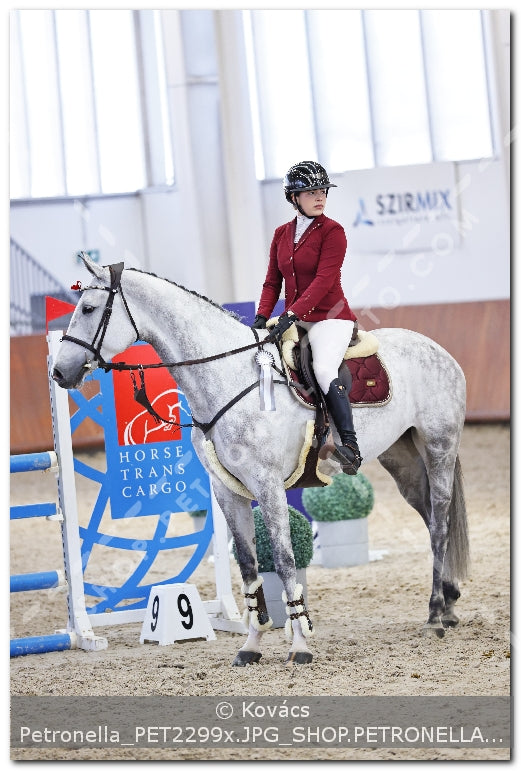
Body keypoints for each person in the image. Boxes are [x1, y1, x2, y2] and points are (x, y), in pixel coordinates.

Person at [252, 160, 362, 475]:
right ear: (293, 197)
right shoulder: (281, 234)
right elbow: (273, 281)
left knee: (324, 368)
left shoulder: (333, 231)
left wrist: (291, 314)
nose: (319, 197)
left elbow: (324, 280)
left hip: (331, 317)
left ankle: (350, 446)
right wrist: (262, 316)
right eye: (310, 192)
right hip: (295, 317)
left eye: (322, 191)